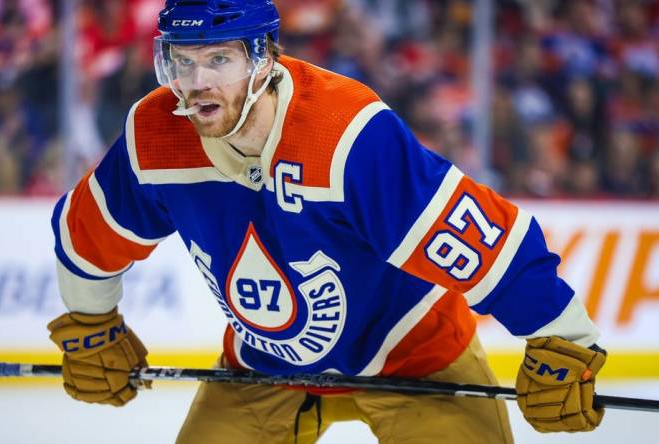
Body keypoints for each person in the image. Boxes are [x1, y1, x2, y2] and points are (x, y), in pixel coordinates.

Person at [46, 1, 607, 442]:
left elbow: (484, 239)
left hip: (415, 358)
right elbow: (88, 236)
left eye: (219, 60)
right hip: (264, 368)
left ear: (263, 60)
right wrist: (93, 326)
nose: (197, 83)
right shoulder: (155, 135)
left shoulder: (345, 136)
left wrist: (565, 339)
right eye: (182, 61)